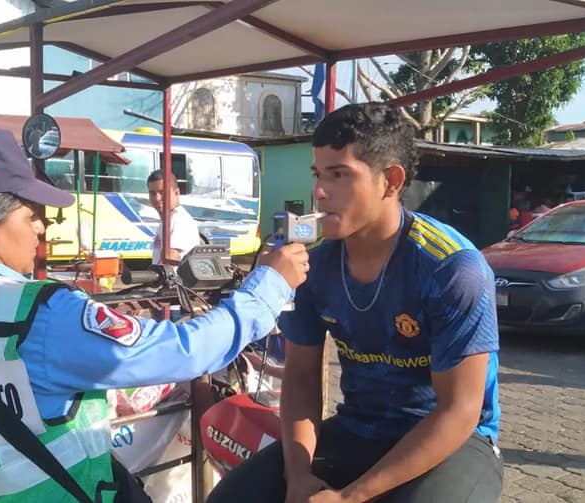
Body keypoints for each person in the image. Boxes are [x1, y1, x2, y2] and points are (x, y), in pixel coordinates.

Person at [0, 122, 310, 503]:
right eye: (30, 214)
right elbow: (183, 351)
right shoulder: (39, 312)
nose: (41, 226)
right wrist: (268, 286)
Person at [207, 103, 502, 503]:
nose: (319, 191)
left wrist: (350, 497)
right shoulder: (312, 265)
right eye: (318, 174)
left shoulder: (451, 268)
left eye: (340, 174)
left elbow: (459, 411)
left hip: (455, 440)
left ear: (390, 181)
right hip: (359, 428)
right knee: (233, 497)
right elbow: (301, 376)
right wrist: (298, 476)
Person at [147, 169, 200, 266]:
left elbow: (171, 257)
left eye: (162, 192)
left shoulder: (179, 220)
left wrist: (154, 275)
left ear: (176, 192)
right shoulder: (168, 219)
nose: (157, 198)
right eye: (152, 193)